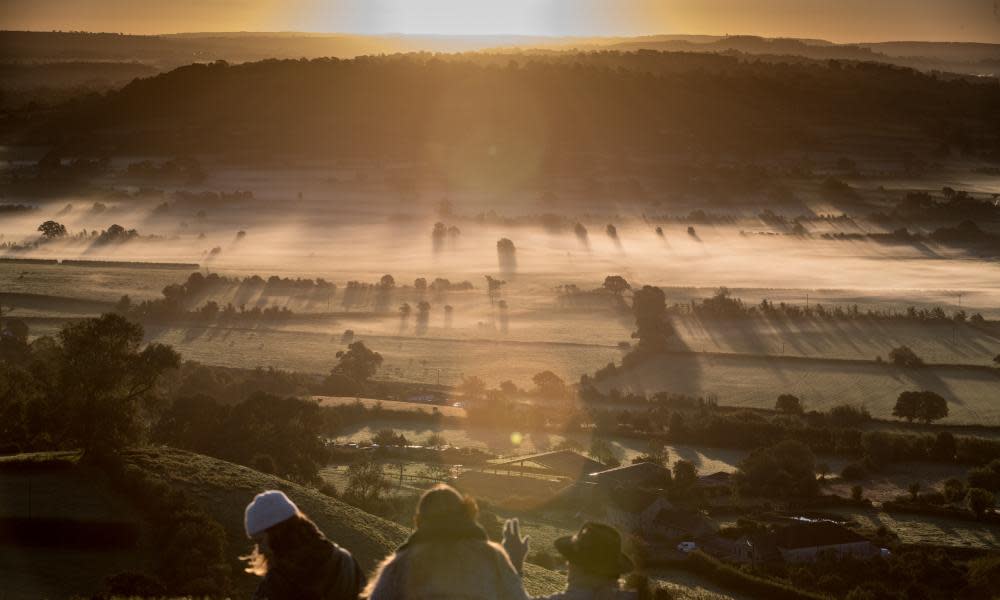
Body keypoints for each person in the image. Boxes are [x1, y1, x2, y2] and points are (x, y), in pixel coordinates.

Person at [366, 484, 528, 600]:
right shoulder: (492, 557)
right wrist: (515, 565)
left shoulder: (399, 565)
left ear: (421, 521)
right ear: (467, 514)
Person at [243, 490, 365, 600]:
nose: (259, 550)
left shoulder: (279, 582)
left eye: (259, 541)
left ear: (278, 534)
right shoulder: (345, 562)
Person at [503, 520, 638, 600]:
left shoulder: (576, 597)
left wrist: (514, 563)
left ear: (580, 567)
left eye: (571, 559)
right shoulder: (631, 597)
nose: (567, 564)